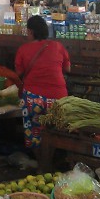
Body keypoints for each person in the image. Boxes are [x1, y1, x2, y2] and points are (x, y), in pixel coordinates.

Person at [15, 15, 71, 151]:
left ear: (30, 31)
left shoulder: (23, 49)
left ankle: (39, 158)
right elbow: (68, 69)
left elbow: (19, 72)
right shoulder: (58, 46)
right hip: (59, 99)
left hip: (34, 100)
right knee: (57, 130)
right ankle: (55, 156)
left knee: (35, 131)